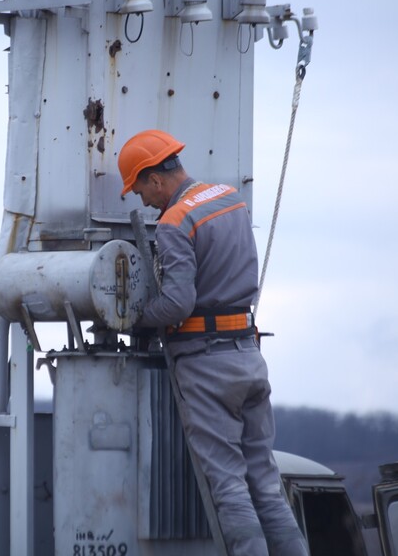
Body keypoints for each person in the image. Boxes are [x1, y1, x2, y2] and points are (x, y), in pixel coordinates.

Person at [118, 129, 309, 556]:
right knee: (265, 481)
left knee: (229, 486)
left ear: (155, 177)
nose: (143, 201)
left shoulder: (174, 222)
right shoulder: (230, 198)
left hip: (207, 367)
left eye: (140, 189)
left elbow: (178, 303)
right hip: (248, 356)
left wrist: (139, 320)